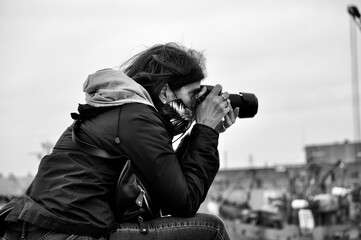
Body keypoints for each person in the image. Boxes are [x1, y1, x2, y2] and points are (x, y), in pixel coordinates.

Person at [1, 43, 239, 240]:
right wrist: (206, 131)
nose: (195, 105)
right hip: (67, 233)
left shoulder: (126, 111)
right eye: (193, 95)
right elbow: (184, 203)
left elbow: (168, 193)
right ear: (166, 92)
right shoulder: (138, 117)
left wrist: (204, 132)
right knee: (211, 231)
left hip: (51, 230)